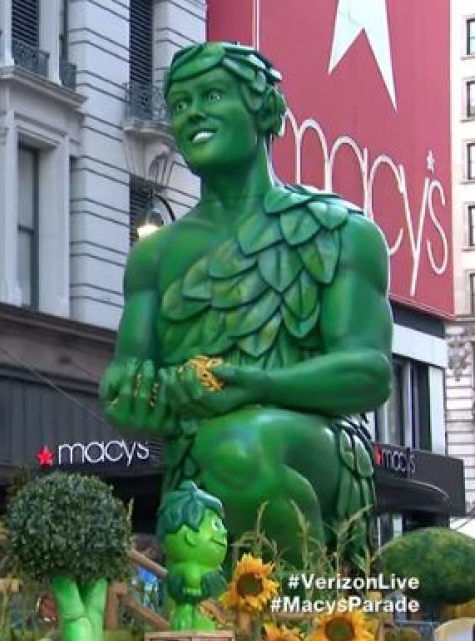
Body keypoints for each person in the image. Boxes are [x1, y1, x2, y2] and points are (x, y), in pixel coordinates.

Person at [99, 41, 390, 573]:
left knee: (237, 442)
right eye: (180, 104)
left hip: (311, 448)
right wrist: (140, 397)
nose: (193, 114)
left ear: (263, 107)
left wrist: (259, 385)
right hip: (193, 462)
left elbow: (368, 373)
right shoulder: (154, 255)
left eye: (212, 94)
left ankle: (303, 615)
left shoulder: (342, 231)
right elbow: (127, 380)